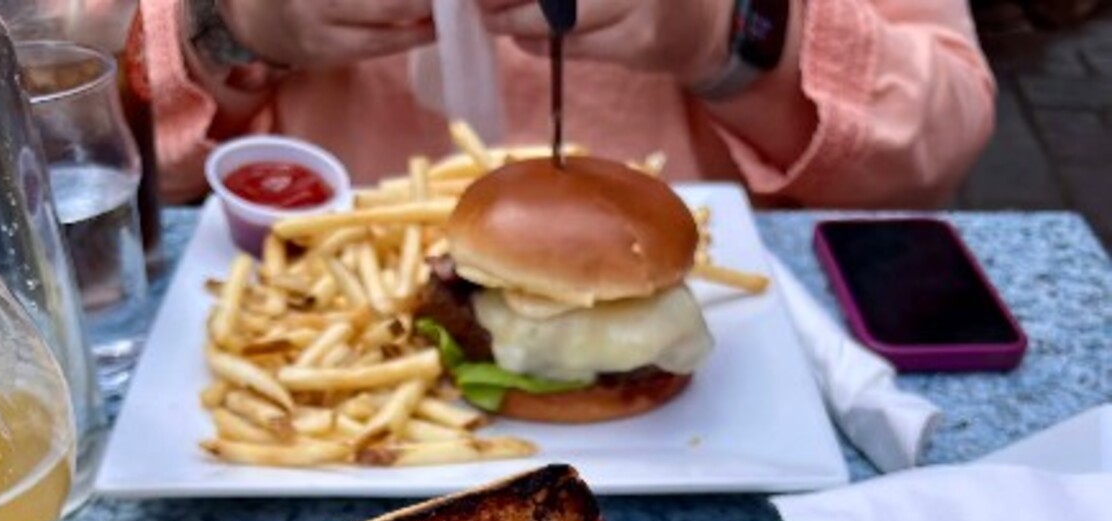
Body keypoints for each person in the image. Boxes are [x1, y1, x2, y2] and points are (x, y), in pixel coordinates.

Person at [138, 0, 997, 209]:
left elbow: (938, 138)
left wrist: (727, 31)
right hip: (307, 351)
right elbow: (96, 151)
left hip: (719, 368)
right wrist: (229, 23)